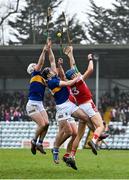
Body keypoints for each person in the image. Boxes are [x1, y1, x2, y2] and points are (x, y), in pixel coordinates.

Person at [42, 40, 92, 168]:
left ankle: (69, 154)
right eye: (51, 71)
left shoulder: (53, 75)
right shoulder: (52, 82)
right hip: (62, 107)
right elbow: (68, 83)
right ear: (48, 75)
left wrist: (49, 48)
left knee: (83, 120)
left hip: (70, 104)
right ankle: (56, 148)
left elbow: (52, 60)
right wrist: (78, 78)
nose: (53, 70)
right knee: (68, 132)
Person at [64, 46, 105, 159]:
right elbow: (90, 69)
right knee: (100, 126)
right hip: (88, 105)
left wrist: (70, 54)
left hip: (80, 107)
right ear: (73, 75)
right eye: (75, 72)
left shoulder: (71, 82)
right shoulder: (79, 79)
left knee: (79, 136)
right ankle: (94, 140)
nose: (77, 72)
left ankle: (72, 156)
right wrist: (90, 59)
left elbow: (73, 65)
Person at [26, 43, 49, 155]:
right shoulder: (34, 74)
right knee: (42, 124)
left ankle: (40, 143)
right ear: (33, 69)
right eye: (35, 65)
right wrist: (44, 51)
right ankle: (33, 141)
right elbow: (41, 62)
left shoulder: (41, 78)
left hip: (39, 103)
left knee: (47, 123)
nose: (37, 66)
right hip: (32, 104)